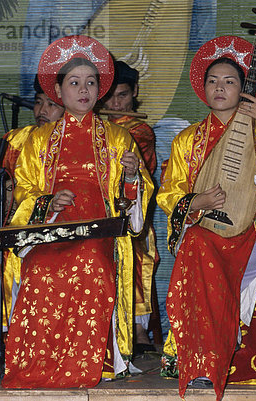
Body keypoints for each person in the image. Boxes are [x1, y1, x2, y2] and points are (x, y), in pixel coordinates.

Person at [156, 35, 256, 400]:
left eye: (229, 81)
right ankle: (200, 367)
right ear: (203, 89)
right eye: (212, 81)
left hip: (252, 230)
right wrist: (196, 201)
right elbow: (170, 192)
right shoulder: (187, 140)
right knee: (197, 246)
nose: (220, 88)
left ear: (243, 89)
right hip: (205, 231)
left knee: (211, 255)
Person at [1, 35, 154, 388]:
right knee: (39, 267)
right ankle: (37, 366)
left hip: (99, 227)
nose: (83, 90)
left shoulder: (117, 137)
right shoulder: (39, 139)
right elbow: (25, 190)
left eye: (90, 82)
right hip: (53, 226)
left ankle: (89, 363)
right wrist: (46, 202)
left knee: (92, 264)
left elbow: (134, 198)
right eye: (74, 82)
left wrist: (131, 175)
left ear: (100, 89)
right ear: (58, 89)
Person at [0, 76, 64, 337]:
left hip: (56, 228)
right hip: (14, 230)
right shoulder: (17, 139)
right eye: (39, 103)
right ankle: (2, 338)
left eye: (51, 105)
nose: (42, 111)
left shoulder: (73, 143)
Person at [102, 60, 161, 354]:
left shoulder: (140, 130)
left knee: (136, 256)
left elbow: (133, 166)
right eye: (109, 97)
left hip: (130, 215)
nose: (115, 104)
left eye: (122, 96)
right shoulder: (96, 127)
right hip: (95, 212)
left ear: (135, 92)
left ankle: (138, 329)